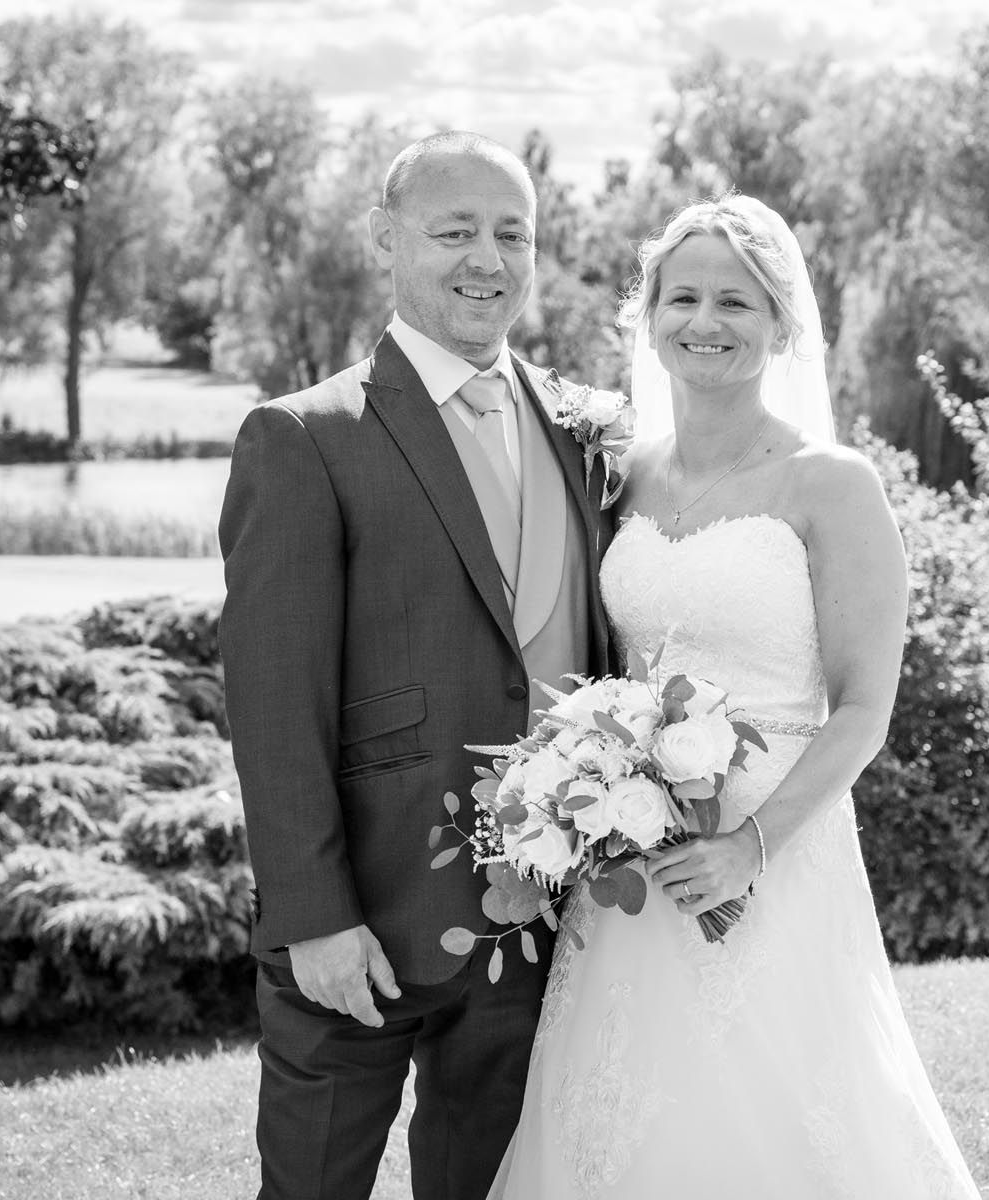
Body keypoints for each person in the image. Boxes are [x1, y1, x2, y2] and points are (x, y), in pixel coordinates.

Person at [487, 195, 983, 1198]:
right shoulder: (624, 476)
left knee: (785, 1107)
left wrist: (747, 850)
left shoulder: (831, 484)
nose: (704, 321)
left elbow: (863, 711)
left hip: (777, 849)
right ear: (649, 314)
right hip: (634, 852)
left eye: (735, 302)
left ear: (781, 324)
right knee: (621, 1109)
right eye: (682, 298)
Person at [218, 131, 613, 1200]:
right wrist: (313, 917)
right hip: (364, 924)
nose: (487, 259)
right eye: (454, 232)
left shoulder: (582, 436)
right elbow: (271, 703)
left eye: (511, 233)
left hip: (538, 921)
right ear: (388, 240)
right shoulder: (303, 437)